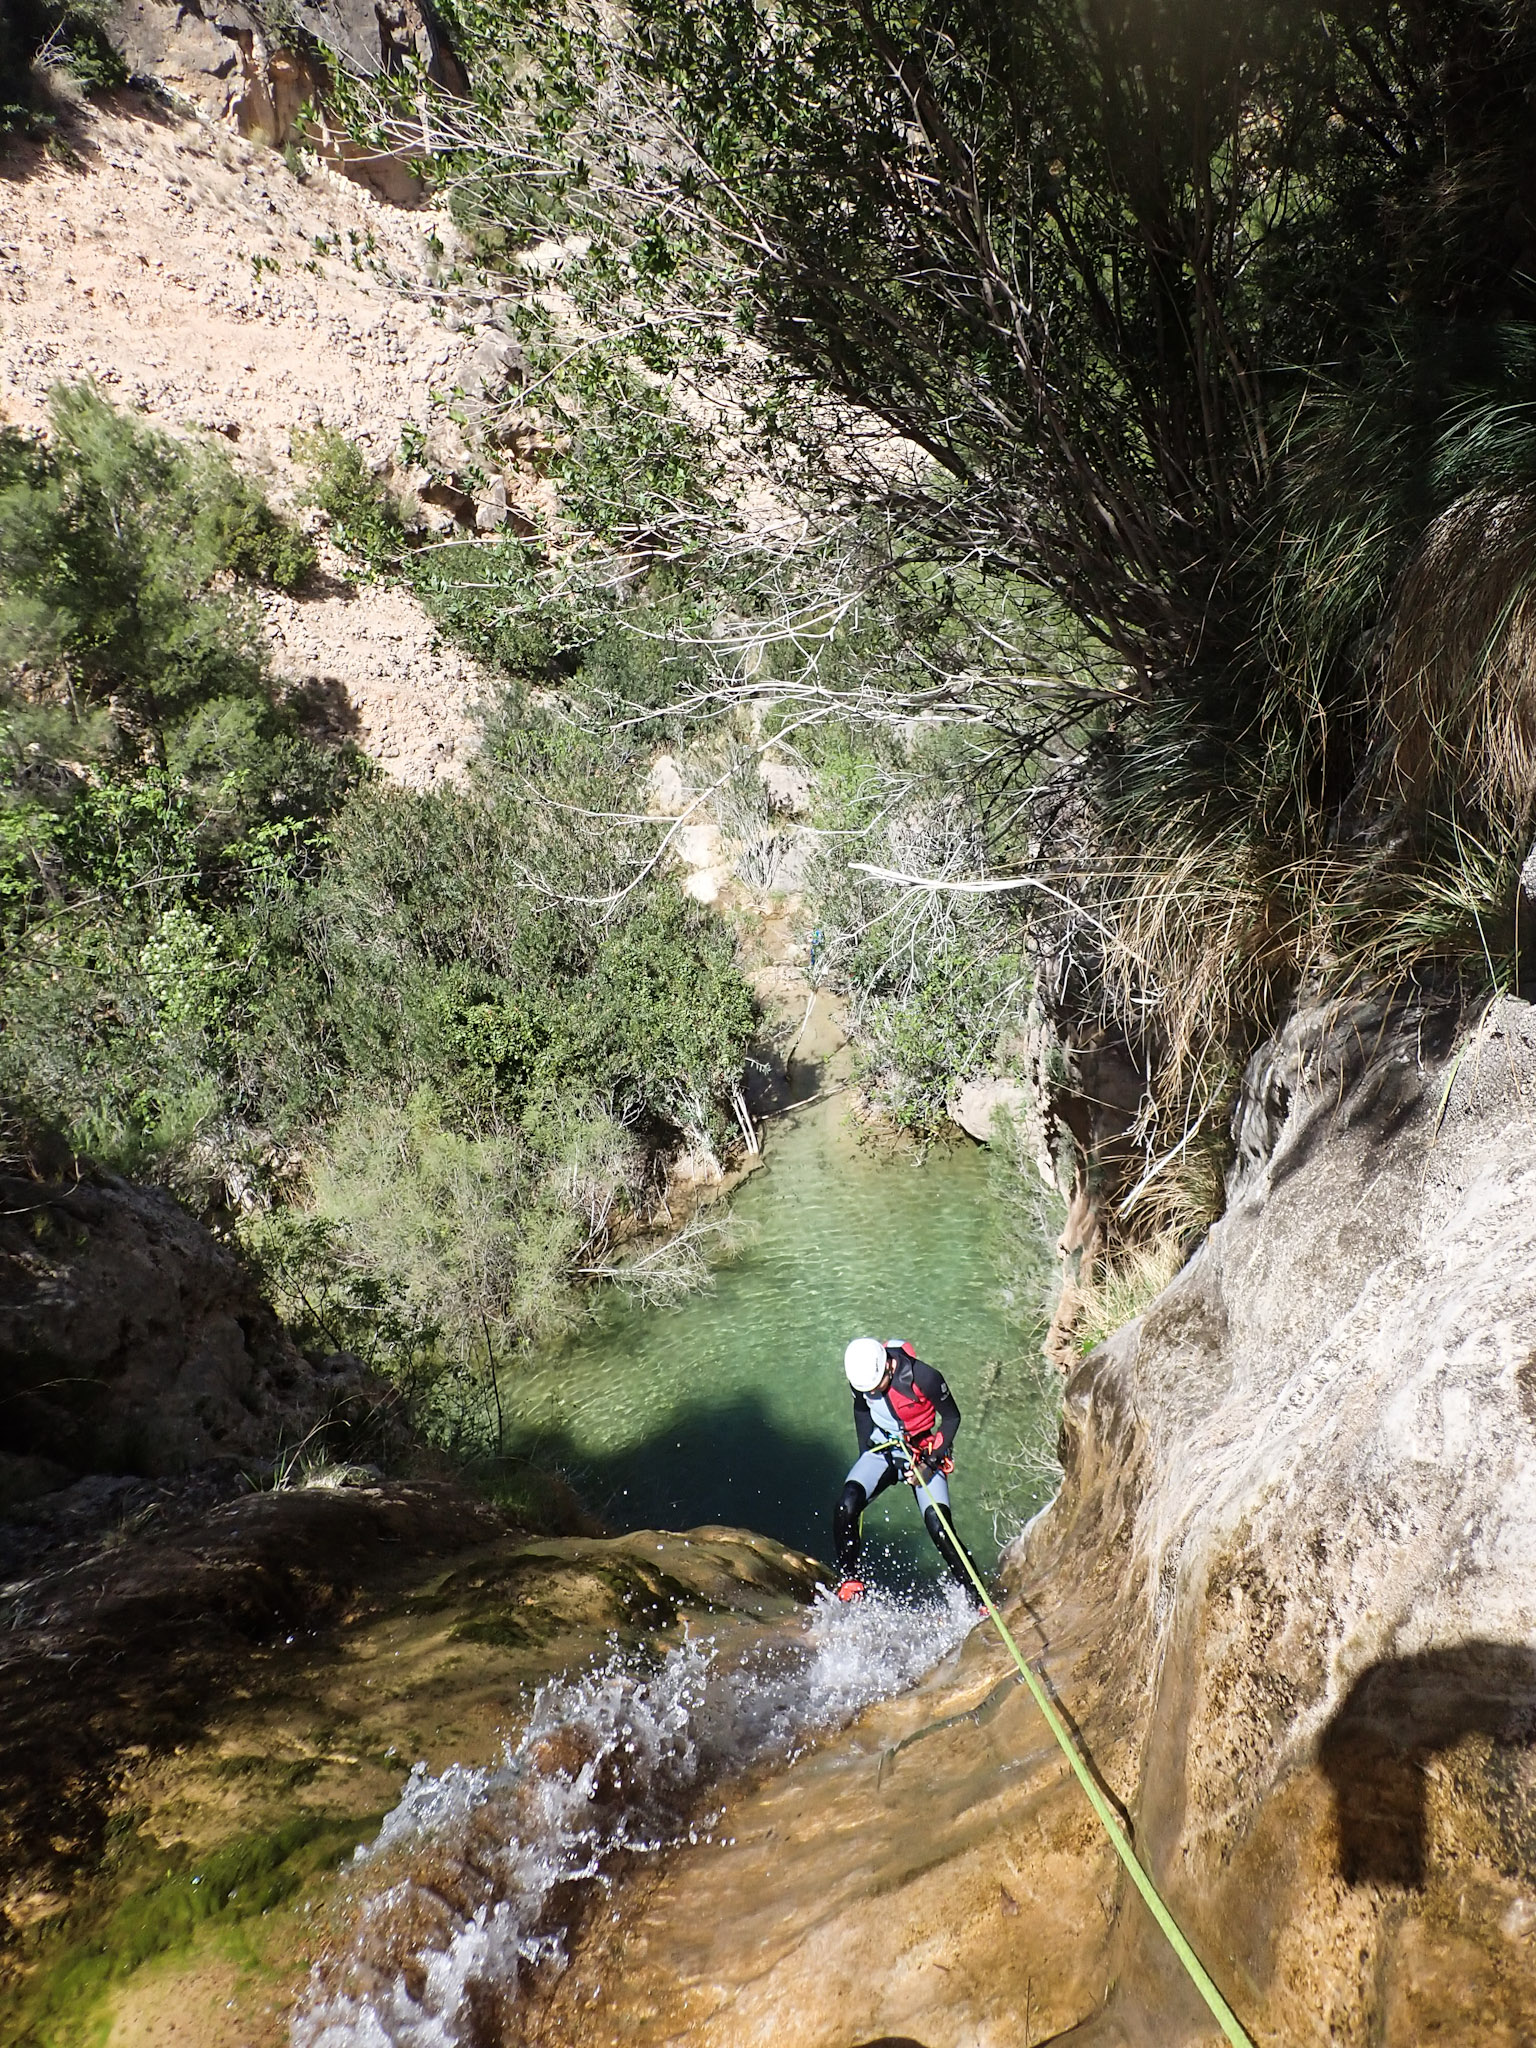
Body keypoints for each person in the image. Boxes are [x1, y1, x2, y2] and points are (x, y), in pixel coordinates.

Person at [833, 1336, 987, 1607]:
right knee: (846, 1506)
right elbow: (861, 1410)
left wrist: (930, 1464)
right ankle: (850, 1580)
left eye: (876, 1386)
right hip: (883, 1447)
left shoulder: (924, 1377)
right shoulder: (861, 1377)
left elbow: (952, 1418)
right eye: (867, 1389)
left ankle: (979, 1599)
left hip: (924, 1451)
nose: (872, 1392)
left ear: (888, 1367)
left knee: (940, 1528)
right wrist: (865, 1452)